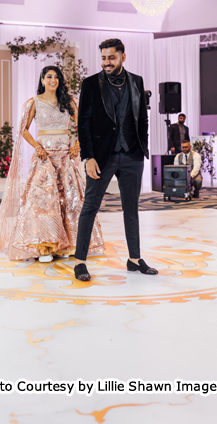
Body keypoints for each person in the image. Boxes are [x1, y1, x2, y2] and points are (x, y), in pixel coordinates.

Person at [0, 66, 104, 262]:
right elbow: (24, 129)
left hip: (64, 156)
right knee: (43, 201)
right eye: (49, 77)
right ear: (42, 80)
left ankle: (69, 245)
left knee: (70, 199)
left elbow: (84, 124)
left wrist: (79, 145)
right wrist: (37, 147)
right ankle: (45, 246)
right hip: (45, 157)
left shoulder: (69, 102)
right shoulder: (34, 102)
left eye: (56, 77)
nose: (53, 80)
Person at [73, 38, 158, 282]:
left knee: (131, 209)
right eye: (103, 58)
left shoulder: (137, 81)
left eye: (111, 57)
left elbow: (142, 118)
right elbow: (84, 124)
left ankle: (134, 259)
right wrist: (88, 156)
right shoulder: (90, 84)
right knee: (90, 207)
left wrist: (142, 147)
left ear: (122, 56)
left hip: (132, 155)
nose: (106, 62)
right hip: (102, 157)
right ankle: (80, 262)